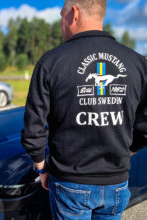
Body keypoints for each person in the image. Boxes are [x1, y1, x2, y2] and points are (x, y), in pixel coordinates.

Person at [21, 0, 147, 219]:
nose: (61, 22)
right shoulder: (138, 63)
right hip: (116, 183)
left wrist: (41, 168)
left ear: (74, 13)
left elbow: (34, 130)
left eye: (62, 15)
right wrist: (126, 152)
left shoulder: (51, 62)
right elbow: (145, 126)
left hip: (71, 185)